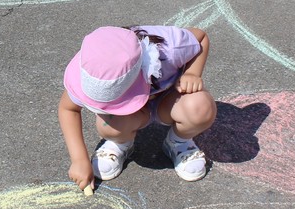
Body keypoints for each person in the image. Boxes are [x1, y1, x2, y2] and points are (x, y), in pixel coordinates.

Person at [58, 25, 216, 194]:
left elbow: (200, 38)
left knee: (200, 107)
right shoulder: (91, 67)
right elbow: (68, 109)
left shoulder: (170, 48)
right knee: (110, 124)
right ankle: (120, 143)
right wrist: (79, 159)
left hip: (170, 101)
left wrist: (192, 73)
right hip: (131, 115)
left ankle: (178, 141)